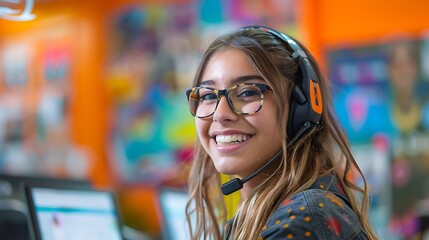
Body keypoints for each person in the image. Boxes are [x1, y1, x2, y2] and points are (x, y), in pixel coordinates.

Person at [184, 25, 378, 240]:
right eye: (208, 95)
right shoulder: (263, 213)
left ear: (300, 109)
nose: (220, 114)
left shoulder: (303, 220)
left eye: (248, 92)